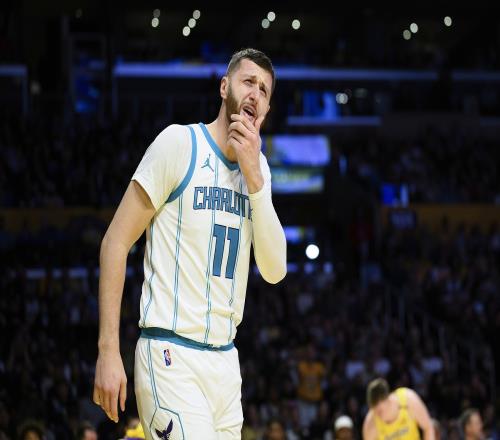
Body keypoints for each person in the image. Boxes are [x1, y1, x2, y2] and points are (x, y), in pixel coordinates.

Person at [93, 48, 287, 439]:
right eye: (248, 82)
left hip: (225, 364)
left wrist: (254, 178)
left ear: (267, 109)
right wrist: (108, 350)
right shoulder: (179, 144)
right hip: (170, 354)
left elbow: (274, 270)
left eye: (264, 90)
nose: (255, 93)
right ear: (224, 87)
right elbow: (115, 242)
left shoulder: (260, 172)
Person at [362, 378, 435, 440]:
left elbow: (427, 427)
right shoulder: (371, 423)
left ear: (388, 399)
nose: (378, 415)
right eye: (374, 411)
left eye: (380, 411)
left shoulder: (408, 400)